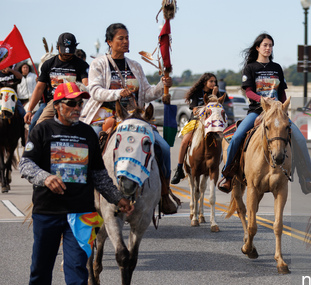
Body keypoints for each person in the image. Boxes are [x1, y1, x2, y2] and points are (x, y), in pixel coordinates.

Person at [19, 82, 134, 285]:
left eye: (80, 103)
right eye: (71, 103)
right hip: (48, 211)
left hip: (81, 213)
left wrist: (118, 198)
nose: (77, 107)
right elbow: (26, 164)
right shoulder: (42, 130)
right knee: (40, 267)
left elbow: (98, 175)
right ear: (57, 105)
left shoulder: (88, 134)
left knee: (78, 269)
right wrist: (45, 177)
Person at [79, 23, 177, 214]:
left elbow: (147, 94)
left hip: (134, 119)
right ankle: (83, 196)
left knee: (163, 148)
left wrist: (161, 85)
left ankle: (164, 194)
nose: (125, 42)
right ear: (109, 42)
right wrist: (117, 93)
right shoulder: (98, 64)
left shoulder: (135, 66)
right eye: (121, 38)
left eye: (127, 37)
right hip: (103, 118)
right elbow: (95, 91)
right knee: (87, 147)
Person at [217, 33, 311, 195]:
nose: (268, 48)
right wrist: (263, 99)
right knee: (237, 137)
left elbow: (282, 92)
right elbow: (249, 92)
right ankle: (227, 176)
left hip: (278, 112)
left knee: (299, 138)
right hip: (257, 111)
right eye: (265, 45)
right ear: (258, 47)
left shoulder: (277, 68)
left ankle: (308, 177)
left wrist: (284, 109)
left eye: (270, 45)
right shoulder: (250, 68)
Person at [24, 33, 89, 130]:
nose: (67, 54)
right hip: (55, 102)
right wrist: (29, 110)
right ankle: (30, 145)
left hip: (75, 102)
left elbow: (86, 84)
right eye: (64, 52)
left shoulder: (81, 65)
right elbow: (39, 88)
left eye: (70, 52)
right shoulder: (49, 64)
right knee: (37, 126)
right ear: (58, 47)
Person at [171, 72, 218, 184]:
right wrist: (205, 109)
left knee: (223, 140)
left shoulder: (215, 92)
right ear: (204, 82)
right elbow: (195, 110)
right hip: (196, 120)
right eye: (211, 81)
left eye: (214, 81)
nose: (213, 83)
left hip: (211, 122)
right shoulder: (197, 93)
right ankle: (179, 169)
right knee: (184, 141)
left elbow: (217, 108)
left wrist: (214, 95)